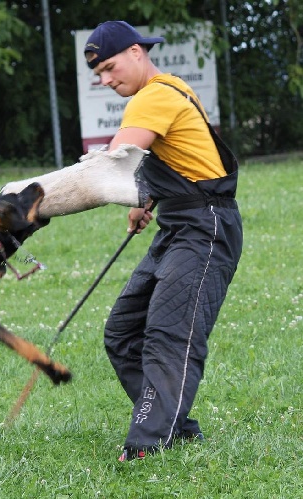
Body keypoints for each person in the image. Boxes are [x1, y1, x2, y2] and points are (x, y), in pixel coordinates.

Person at [83, 21, 243, 461]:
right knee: (122, 331)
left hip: (205, 228)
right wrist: (146, 200)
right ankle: (179, 426)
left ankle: (147, 445)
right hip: (177, 223)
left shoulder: (154, 95)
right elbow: (179, 156)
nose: (105, 79)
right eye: (98, 74)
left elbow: (113, 167)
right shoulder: (159, 93)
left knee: (169, 333)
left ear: (137, 52)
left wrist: (33, 202)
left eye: (110, 68)